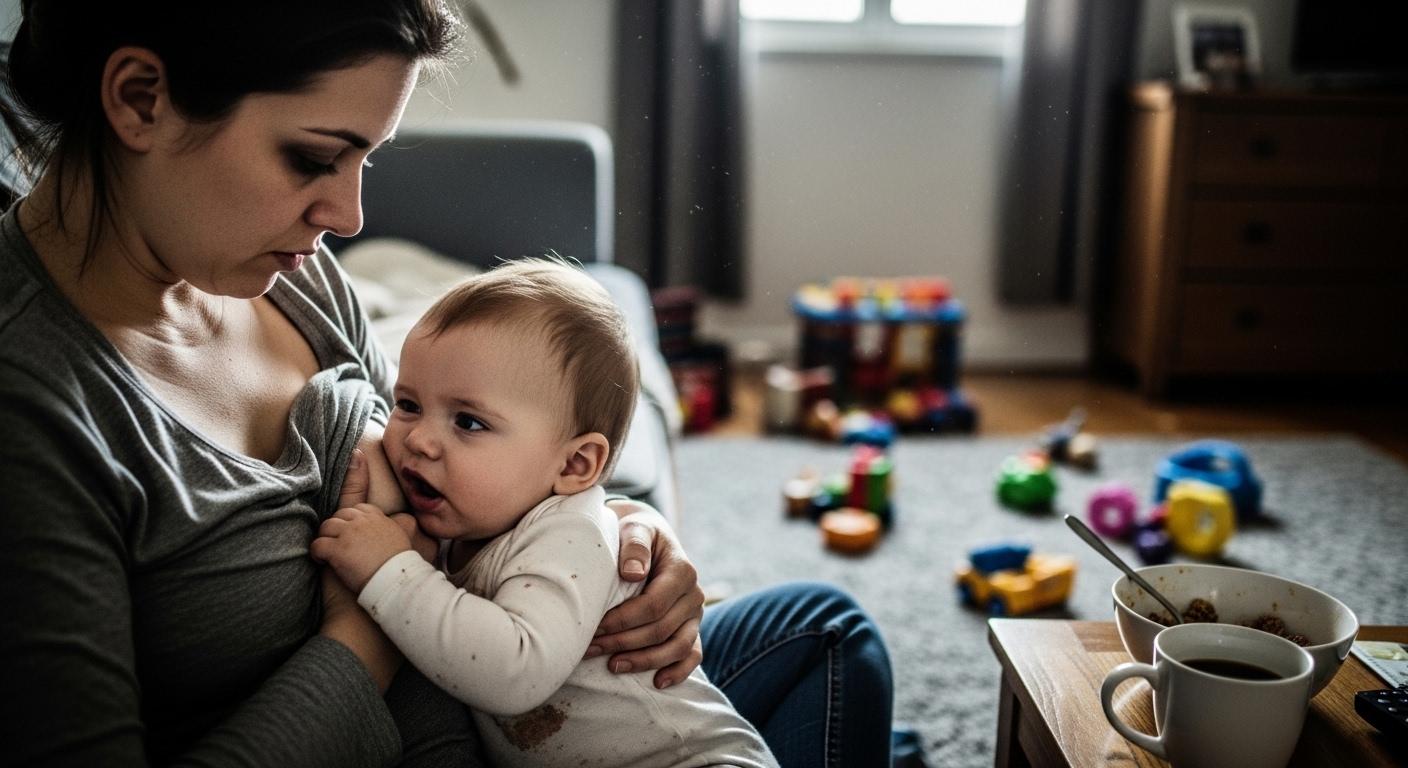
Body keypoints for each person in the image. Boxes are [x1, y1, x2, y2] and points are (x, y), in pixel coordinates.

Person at [0, 2, 896, 766]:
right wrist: (364, 635)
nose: (348, 215)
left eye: (366, 161)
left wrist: (625, 535)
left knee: (828, 632)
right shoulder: (36, 407)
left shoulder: (285, 275)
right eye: (314, 158)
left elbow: (463, 456)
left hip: (518, 711)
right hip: (464, 710)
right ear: (138, 99)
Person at [312, 259, 778, 767]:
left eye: (468, 422)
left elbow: (515, 670)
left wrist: (389, 571)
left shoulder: (570, 535)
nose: (419, 440)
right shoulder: (470, 516)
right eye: (408, 404)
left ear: (576, 464)